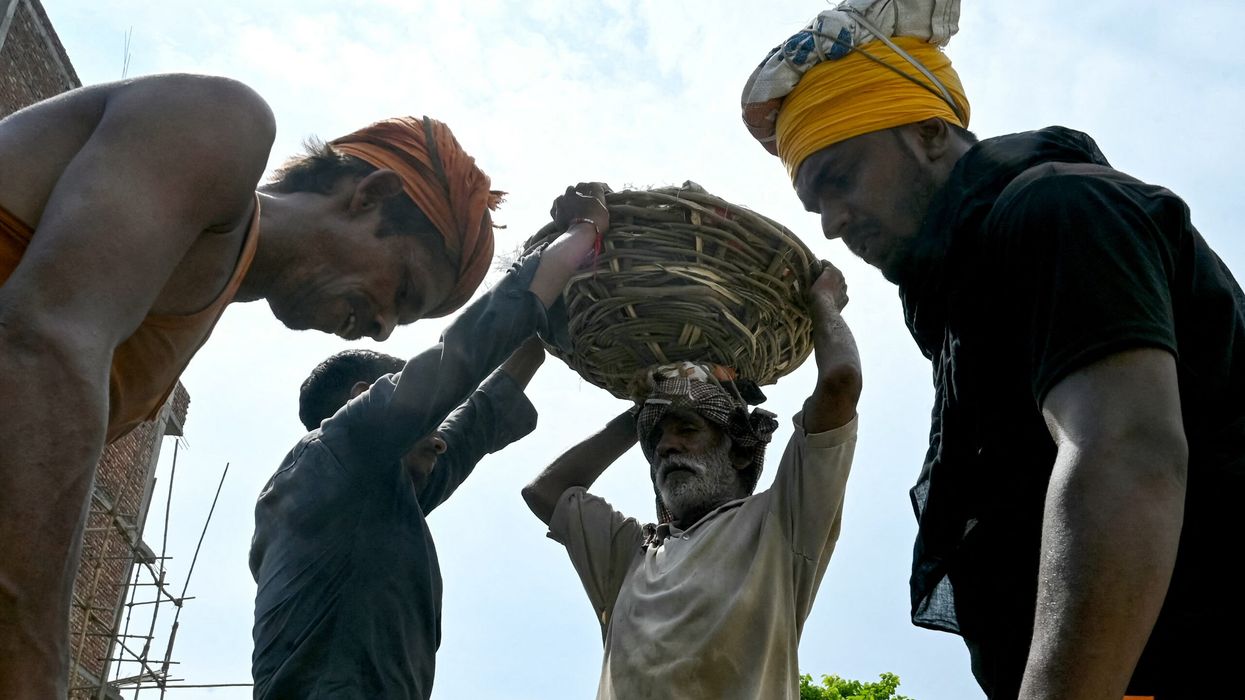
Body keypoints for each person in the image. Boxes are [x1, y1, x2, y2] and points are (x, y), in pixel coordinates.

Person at [741, 2, 1243, 698]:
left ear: (926, 133)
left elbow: (1124, 450)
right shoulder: (963, 306)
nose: (831, 223)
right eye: (814, 203)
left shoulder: (1057, 210)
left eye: (840, 177)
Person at [0, 72, 501, 697]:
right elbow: (41, 346)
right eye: (401, 291)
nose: (380, 330)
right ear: (370, 194)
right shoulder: (220, 122)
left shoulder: (187, 312)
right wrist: (30, 660)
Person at [249, 183, 609, 699]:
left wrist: (551, 308)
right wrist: (583, 233)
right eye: (427, 422)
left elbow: (482, 407)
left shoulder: (382, 496)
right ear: (365, 400)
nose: (439, 444)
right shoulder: (328, 461)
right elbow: (464, 356)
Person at [522, 262, 861, 699]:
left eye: (687, 429)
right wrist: (648, 405)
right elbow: (545, 492)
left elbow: (840, 383)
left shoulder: (778, 525)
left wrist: (823, 303)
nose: (665, 447)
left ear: (738, 450)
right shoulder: (631, 555)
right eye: (657, 440)